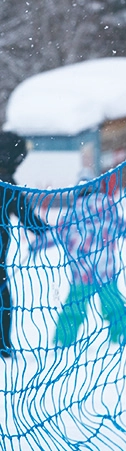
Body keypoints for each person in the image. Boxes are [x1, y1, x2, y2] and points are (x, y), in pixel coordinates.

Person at [37, 186, 126, 347]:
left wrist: (36, 245)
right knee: (113, 304)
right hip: (105, 270)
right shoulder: (108, 212)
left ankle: (63, 340)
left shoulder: (72, 216)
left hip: (81, 272)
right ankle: (122, 335)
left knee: (75, 307)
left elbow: (53, 235)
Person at [0, 131, 44, 357]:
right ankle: (3, 346)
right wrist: (46, 231)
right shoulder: (7, 183)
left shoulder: (7, 182)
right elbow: (27, 217)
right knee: (3, 299)